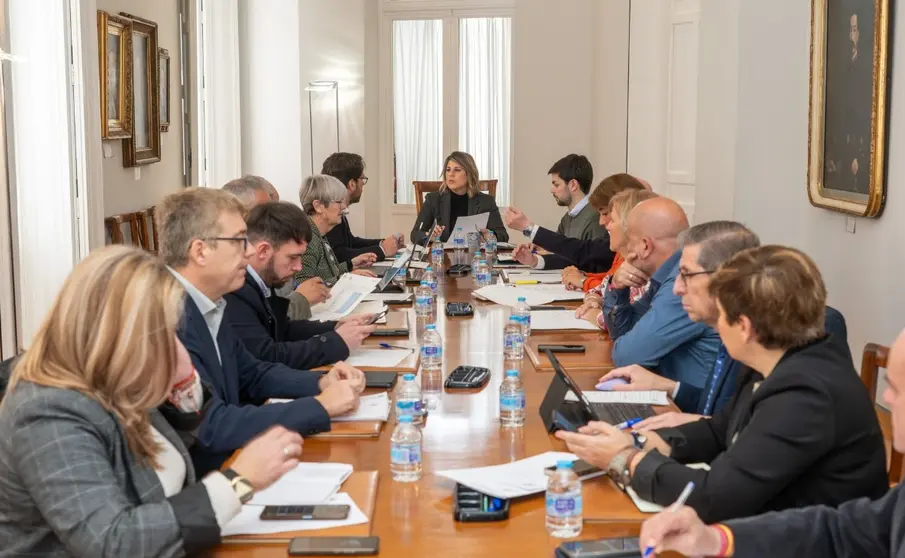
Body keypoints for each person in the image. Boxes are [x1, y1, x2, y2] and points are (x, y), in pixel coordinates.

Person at [0, 245, 303, 556]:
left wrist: (186, 387)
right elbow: (112, 542)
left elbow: (188, 444)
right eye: (160, 331)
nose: (172, 343)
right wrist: (238, 482)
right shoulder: (47, 411)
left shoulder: (117, 378)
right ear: (116, 333)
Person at [557, 245, 888, 524]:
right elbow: (719, 431)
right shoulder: (774, 358)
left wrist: (626, 459)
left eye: (720, 318)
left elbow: (715, 497)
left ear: (744, 327)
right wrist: (639, 440)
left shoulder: (806, 395)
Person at [639, 326, 905, 558]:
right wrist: (718, 540)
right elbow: (839, 532)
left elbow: (719, 496)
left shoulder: (806, 389)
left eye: (894, 388)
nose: (885, 399)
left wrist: (630, 461)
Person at [158, 187, 365, 475]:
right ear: (200, 251)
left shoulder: (208, 302)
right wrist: (319, 407)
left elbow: (254, 373)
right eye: (239, 242)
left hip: (236, 464)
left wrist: (321, 383)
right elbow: (211, 425)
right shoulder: (166, 316)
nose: (249, 252)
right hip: (206, 483)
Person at [594, 221, 760, 414]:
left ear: (724, 279)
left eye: (687, 275)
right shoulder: (731, 333)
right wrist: (668, 387)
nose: (677, 288)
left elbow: (628, 354)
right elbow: (720, 412)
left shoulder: (757, 348)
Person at [225, 201, 376, 369]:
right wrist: (336, 343)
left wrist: (335, 326)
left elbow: (284, 329)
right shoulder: (236, 290)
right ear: (263, 251)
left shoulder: (262, 280)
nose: (298, 267)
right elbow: (268, 355)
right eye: (292, 258)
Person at [603, 197, 720, 390]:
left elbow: (627, 356)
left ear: (645, 246)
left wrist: (627, 341)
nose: (626, 250)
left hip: (693, 408)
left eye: (628, 242)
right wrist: (617, 288)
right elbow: (624, 331)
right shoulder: (665, 276)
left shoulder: (683, 285)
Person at [504, 173, 647, 271]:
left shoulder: (635, 256)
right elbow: (577, 258)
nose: (601, 221)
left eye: (605, 213)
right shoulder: (568, 217)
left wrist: (528, 227)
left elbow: (583, 253)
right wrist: (535, 261)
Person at [573, 189, 658, 321]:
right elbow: (599, 290)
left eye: (612, 220)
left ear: (629, 226)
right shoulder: (629, 263)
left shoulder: (646, 271)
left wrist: (594, 315)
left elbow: (627, 323)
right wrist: (593, 301)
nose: (606, 226)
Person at [561, 176, 650, 290]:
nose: (601, 222)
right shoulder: (625, 250)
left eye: (607, 215)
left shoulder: (639, 259)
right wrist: (583, 277)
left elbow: (615, 289)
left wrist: (584, 281)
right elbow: (611, 280)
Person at [291, 175, 378, 288]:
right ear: (318, 206)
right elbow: (305, 286)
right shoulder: (308, 238)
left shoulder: (318, 233)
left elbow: (326, 274)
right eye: (339, 202)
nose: (344, 207)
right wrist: (348, 279)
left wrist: (351, 264)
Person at [410, 151, 509, 244]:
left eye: (457, 170)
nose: (451, 174)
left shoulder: (486, 201)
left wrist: (490, 235)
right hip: (442, 257)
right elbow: (415, 235)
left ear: (470, 174)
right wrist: (429, 236)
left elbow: (503, 236)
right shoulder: (433, 199)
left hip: (475, 257)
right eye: (448, 170)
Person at [322, 152, 404, 261]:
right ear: (352, 184)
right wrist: (382, 250)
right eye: (362, 179)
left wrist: (383, 243)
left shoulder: (337, 208)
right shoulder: (330, 212)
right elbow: (338, 254)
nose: (363, 185)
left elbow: (351, 242)